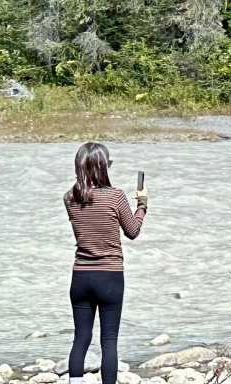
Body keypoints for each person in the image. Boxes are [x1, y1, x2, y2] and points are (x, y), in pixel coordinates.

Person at [63, 142, 148, 384]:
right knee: (109, 341)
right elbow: (132, 231)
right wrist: (142, 205)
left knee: (81, 338)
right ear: (104, 167)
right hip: (110, 276)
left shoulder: (69, 197)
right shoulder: (116, 196)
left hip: (80, 276)